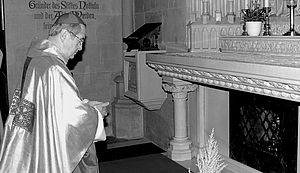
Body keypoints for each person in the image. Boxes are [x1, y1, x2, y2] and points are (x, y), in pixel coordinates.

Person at [0, 12, 108, 173]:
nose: (80, 47)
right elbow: (72, 120)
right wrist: (95, 114)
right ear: (65, 34)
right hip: (47, 147)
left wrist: (83, 104)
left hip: (32, 140)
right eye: (80, 40)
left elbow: (49, 106)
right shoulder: (54, 67)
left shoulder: (36, 58)